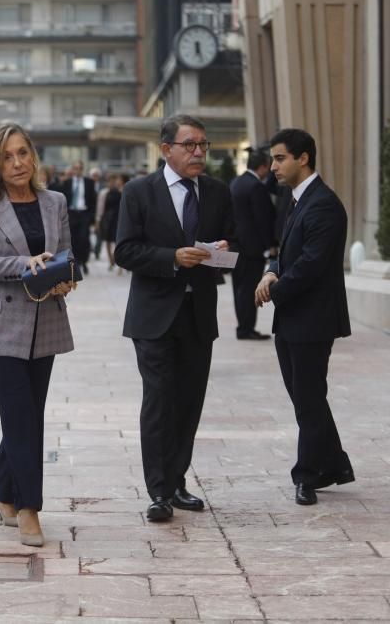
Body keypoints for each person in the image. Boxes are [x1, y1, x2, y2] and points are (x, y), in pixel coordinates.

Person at [115, 114, 235, 522]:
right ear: (166, 149)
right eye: (190, 145)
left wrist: (219, 250)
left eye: (204, 144)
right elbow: (125, 251)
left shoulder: (217, 192)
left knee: (188, 402)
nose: (199, 152)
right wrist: (172, 257)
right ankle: (158, 491)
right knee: (159, 400)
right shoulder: (139, 192)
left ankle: (178, 480)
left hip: (198, 313)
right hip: (153, 316)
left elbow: (233, 243)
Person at [0, 124, 76, 547]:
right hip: (0, 323)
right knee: (21, 415)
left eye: (23, 153)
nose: (17, 163)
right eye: (8, 156)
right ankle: (29, 508)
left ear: (34, 156)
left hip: (45, 319)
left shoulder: (55, 202)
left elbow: (66, 254)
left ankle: (1, 491)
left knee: (28, 414)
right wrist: (23, 264)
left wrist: (65, 278)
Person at [254, 128, 354, 506]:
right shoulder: (297, 200)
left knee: (308, 398)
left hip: (312, 319)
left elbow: (312, 264)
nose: (273, 166)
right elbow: (288, 253)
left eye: (280, 158)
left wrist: (273, 288)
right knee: (305, 398)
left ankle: (308, 475)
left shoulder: (323, 204)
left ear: (303, 158)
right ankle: (336, 464)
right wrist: (270, 270)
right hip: (294, 318)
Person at [230, 146, 275, 340]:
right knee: (248, 290)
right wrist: (271, 244)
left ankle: (243, 326)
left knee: (239, 289)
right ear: (263, 167)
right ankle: (247, 329)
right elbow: (262, 219)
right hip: (252, 248)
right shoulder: (256, 187)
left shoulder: (235, 182)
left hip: (236, 246)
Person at [57, 161, 96, 274]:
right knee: (72, 239)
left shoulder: (89, 182)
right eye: (75, 168)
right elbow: (62, 200)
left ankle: (84, 261)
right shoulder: (67, 183)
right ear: (73, 170)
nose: (77, 171)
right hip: (71, 213)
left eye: (79, 168)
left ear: (82, 169)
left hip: (84, 213)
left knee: (84, 238)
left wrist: (91, 217)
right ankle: (76, 262)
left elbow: (93, 200)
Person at [98, 173, 124, 270]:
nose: (112, 183)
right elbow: (101, 207)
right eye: (110, 181)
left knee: (117, 240)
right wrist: (99, 220)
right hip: (107, 219)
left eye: (114, 181)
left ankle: (115, 258)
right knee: (108, 240)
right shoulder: (104, 193)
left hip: (118, 219)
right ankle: (110, 261)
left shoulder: (121, 191)